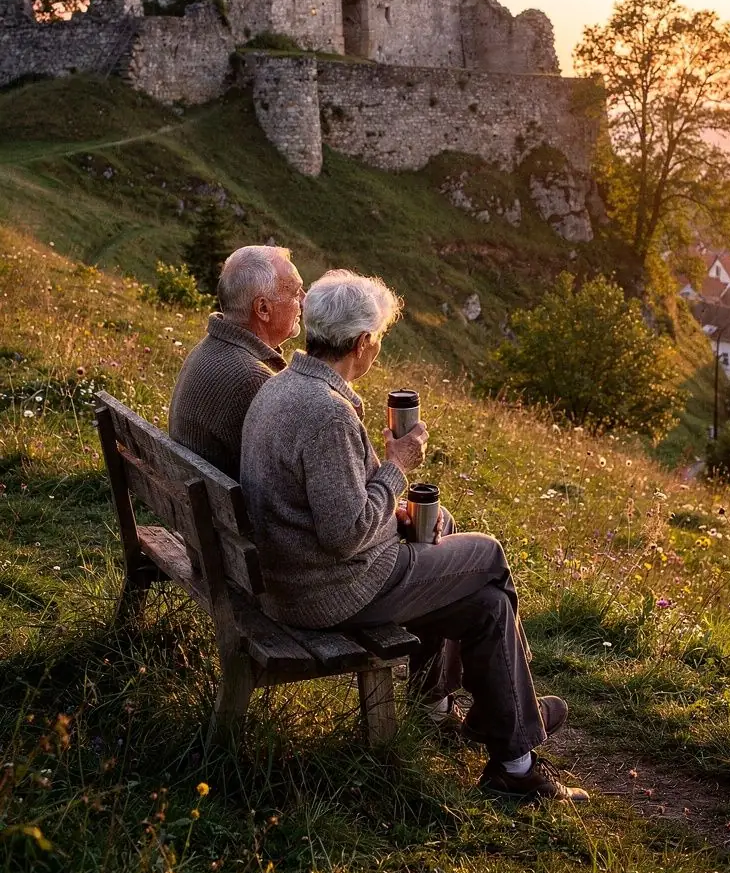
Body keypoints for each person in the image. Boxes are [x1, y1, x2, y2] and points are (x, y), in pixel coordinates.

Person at [241, 268, 588, 802]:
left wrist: (384, 492)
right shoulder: (326, 413)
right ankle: (511, 721)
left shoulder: (282, 386)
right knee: (489, 558)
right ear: (362, 343)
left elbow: (327, 504)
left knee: (486, 605)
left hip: (291, 578)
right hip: (330, 592)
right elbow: (345, 532)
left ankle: (505, 748)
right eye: (377, 338)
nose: (377, 348)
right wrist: (397, 465)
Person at [169, 244, 304, 478]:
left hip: (192, 500)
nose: (304, 301)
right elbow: (296, 472)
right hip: (223, 513)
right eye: (295, 292)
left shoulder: (210, 346)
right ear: (263, 308)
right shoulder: (253, 378)